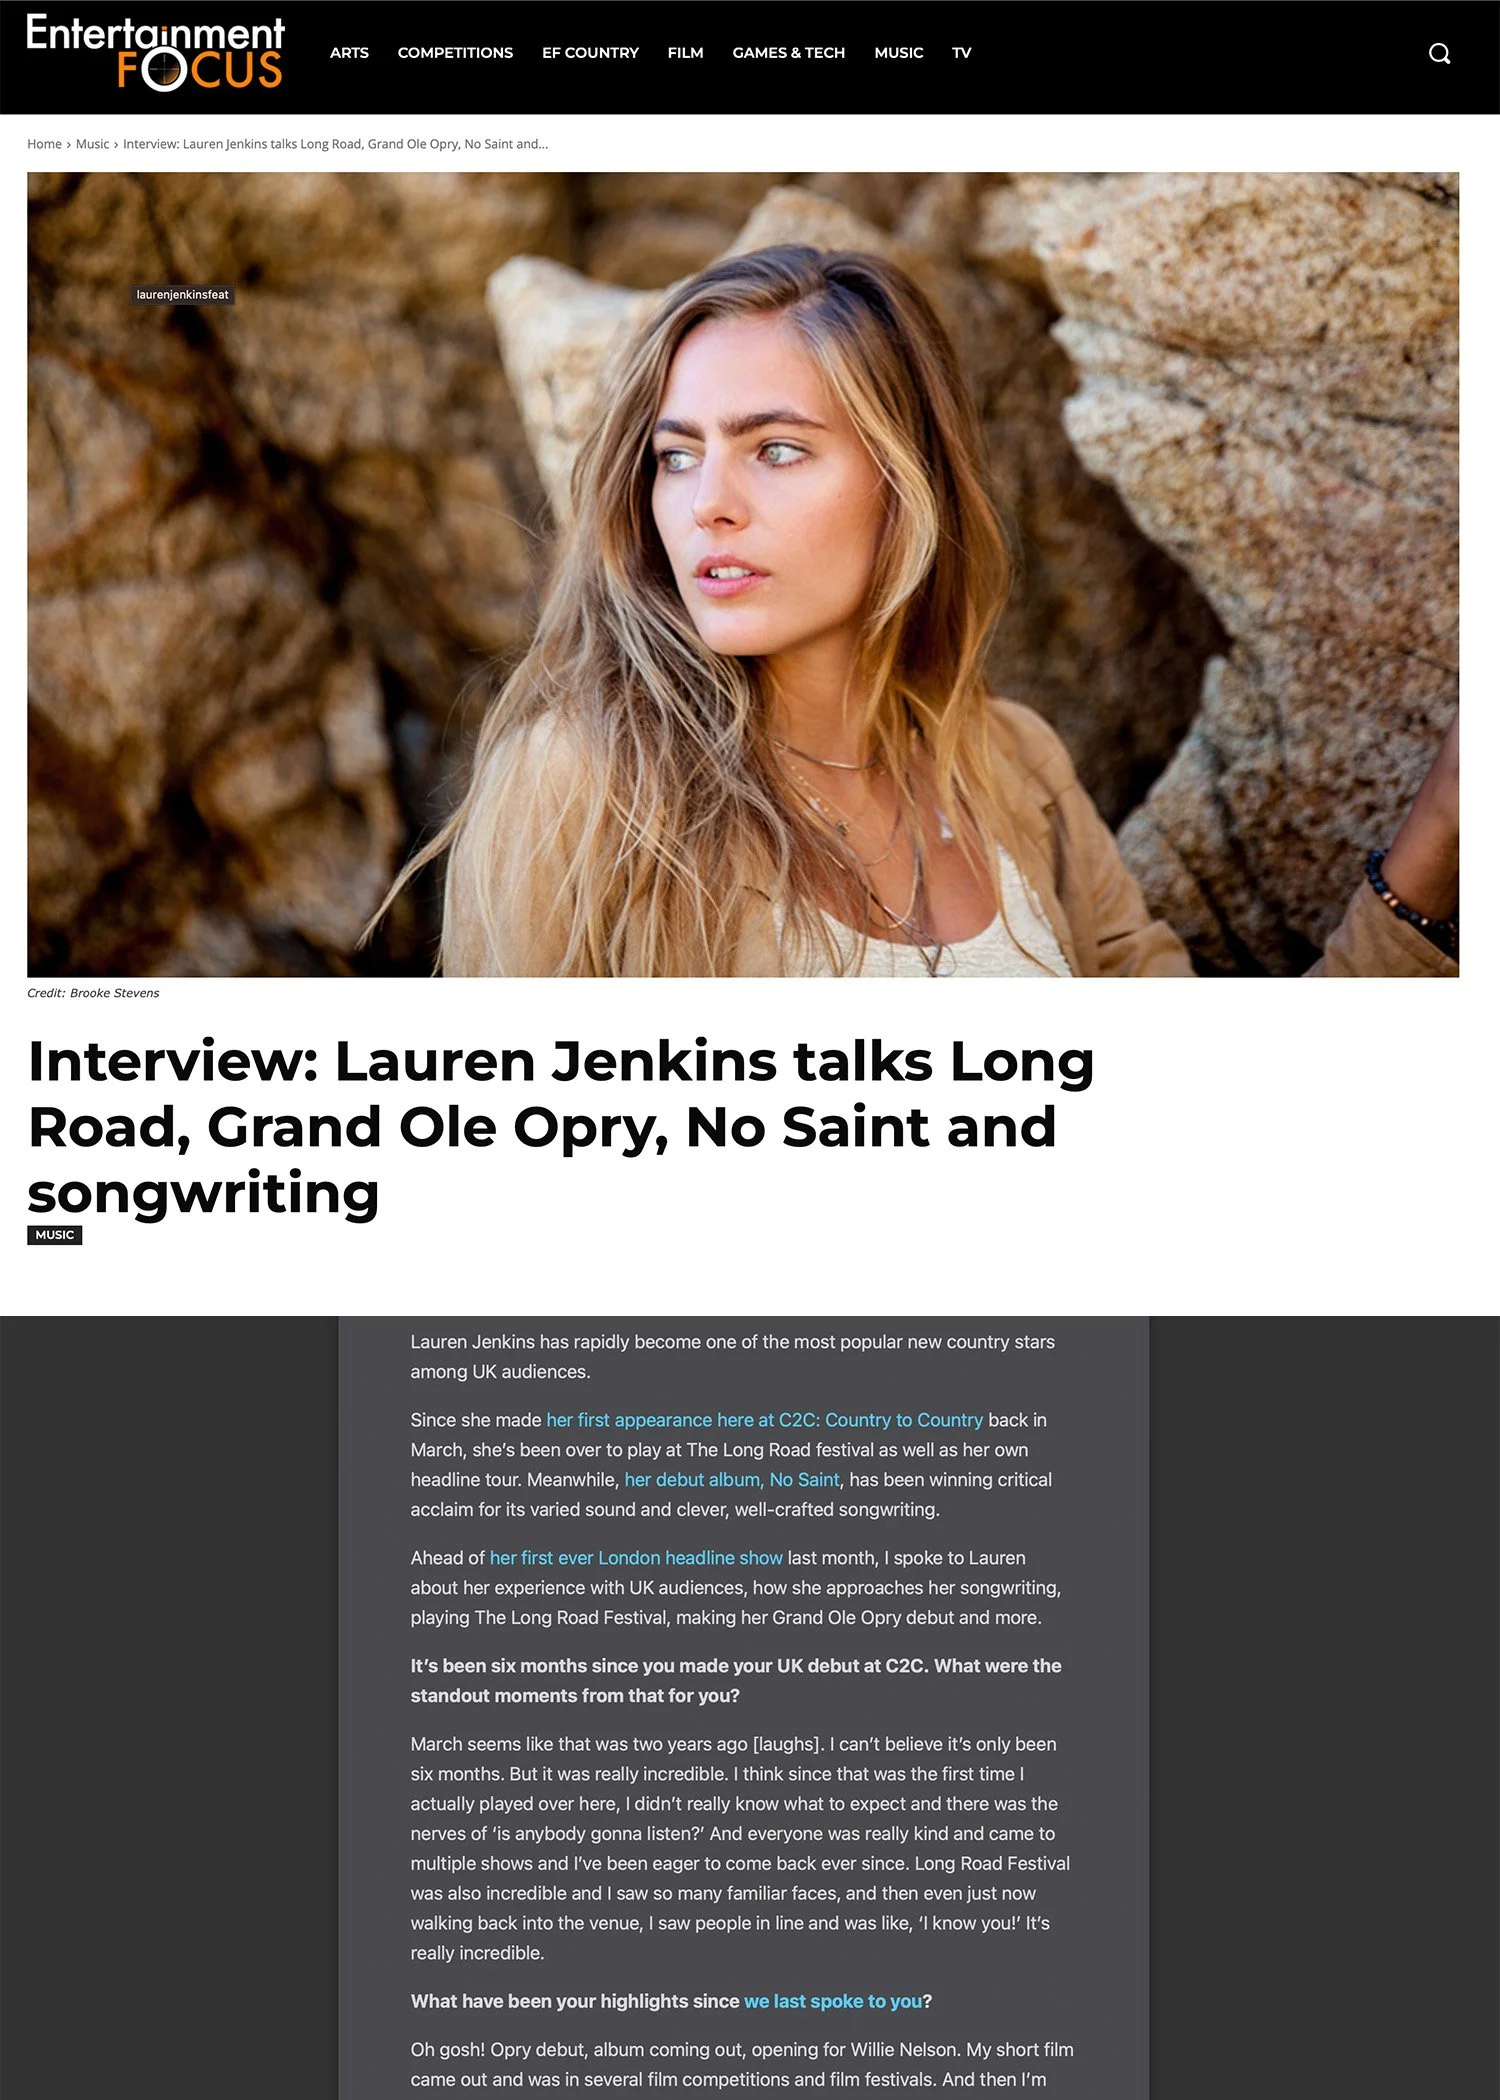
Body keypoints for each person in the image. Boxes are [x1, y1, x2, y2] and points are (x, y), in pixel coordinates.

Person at [380, 245, 1458, 977]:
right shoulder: (590, 789)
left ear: (908, 486)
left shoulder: (1014, 769)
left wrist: (1439, 838)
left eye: (778, 449)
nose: (707, 503)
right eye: (676, 455)